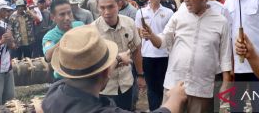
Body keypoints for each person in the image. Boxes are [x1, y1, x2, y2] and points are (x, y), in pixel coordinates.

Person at [41, 25, 187, 113]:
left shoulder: (55, 91)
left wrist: (116, 59)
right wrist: (175, 98)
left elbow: (97, 71)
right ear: (106, 73)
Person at [141, 0, 232, 113]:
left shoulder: (220, 21)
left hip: (202, 87)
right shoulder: (178, 16)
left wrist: (226, 83)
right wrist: (151, 35)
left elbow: (225, 55)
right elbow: (164, 41)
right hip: (175, 84)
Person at [92, 0, 145, 111]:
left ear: (119, 4)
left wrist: (141, 75)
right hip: (104, 88)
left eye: (111, 7)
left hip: (127, 83)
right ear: (97, 7)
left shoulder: (129, 23)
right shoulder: (92, 31)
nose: (106, 12)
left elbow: (136, 50)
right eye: (102, 8)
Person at [135, 0, 174, 111]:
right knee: (151, 89)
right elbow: (137, 33)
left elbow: (170, 35)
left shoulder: (168, 12)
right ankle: (154, 110)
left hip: (164, 55)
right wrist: (142, 33)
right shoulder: (140, 12)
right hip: (147, 55)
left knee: (163, 86)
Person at [42, 0, 84, 79]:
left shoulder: (80, 26)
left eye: (69, 13)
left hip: (85, 76)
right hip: (64, 80)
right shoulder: (49, 37)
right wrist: (67, 38)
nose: (67, 18)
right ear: (53, 17)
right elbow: (48, 56)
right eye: (62, 14)